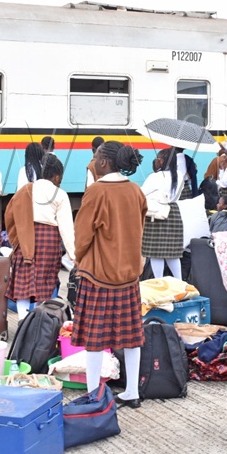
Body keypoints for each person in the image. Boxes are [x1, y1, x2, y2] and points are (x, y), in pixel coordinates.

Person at [71, 141, 147, 408]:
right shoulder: (136, 191)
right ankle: (132, 392)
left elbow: (82, 236)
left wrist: (78, 258)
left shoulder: (96, 191)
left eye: (95, 158)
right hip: (129, 275)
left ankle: (94, 395)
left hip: (99, 275)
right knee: (132, 337)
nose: (92, 162)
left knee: (94, 339)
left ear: (103, 162)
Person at [5, 155, 75, 320]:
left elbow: (10, 215)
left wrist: (16, 239)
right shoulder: (60, 194)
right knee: (44, 283)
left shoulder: (25, 190)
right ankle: (36, 321)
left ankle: (22, 320)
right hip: (49, 241)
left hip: (26, 238)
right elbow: (66, 228)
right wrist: (73, 255)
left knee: (23, 282)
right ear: (56, 176)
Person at [140, 148, 185, 280]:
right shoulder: (179, 175)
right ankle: (179, 282)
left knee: (155, 253)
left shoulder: (154, 177)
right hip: (174, 212)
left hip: (157, 214)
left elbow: (141, 194)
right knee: (173, 253)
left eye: (158, 158)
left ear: (162, 160)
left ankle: (159, 280)